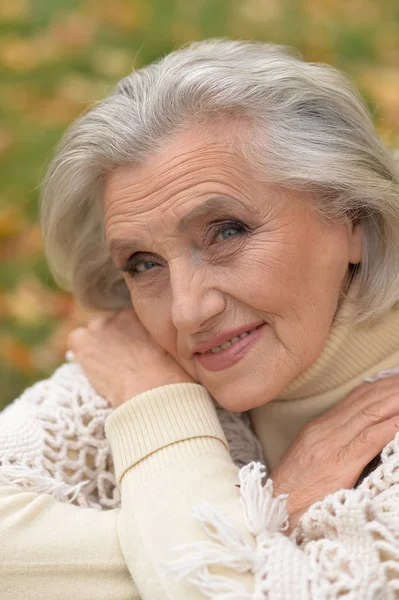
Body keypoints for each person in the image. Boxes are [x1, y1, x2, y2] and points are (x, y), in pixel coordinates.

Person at [1, 38, 399, 599]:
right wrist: (267, 516)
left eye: (227, 231)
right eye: (143, 264)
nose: (188, 311)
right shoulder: (145, 365)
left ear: (353, 218)